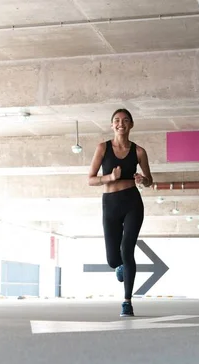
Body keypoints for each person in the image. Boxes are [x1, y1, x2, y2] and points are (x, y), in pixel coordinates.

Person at [88, 109, 153, 317]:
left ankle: (127, 301)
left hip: (132, 202)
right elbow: (90, 179)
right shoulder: (102, 148)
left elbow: (150, 180)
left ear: (131, 124)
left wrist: (143, 180)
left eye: (125, 120)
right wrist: (109, 177)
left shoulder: (139, 151)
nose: (120, 124)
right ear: (112, 125)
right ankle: (119, 267)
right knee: (113, 259)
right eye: (116, 120)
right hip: (110, 204)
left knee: (127, 250)